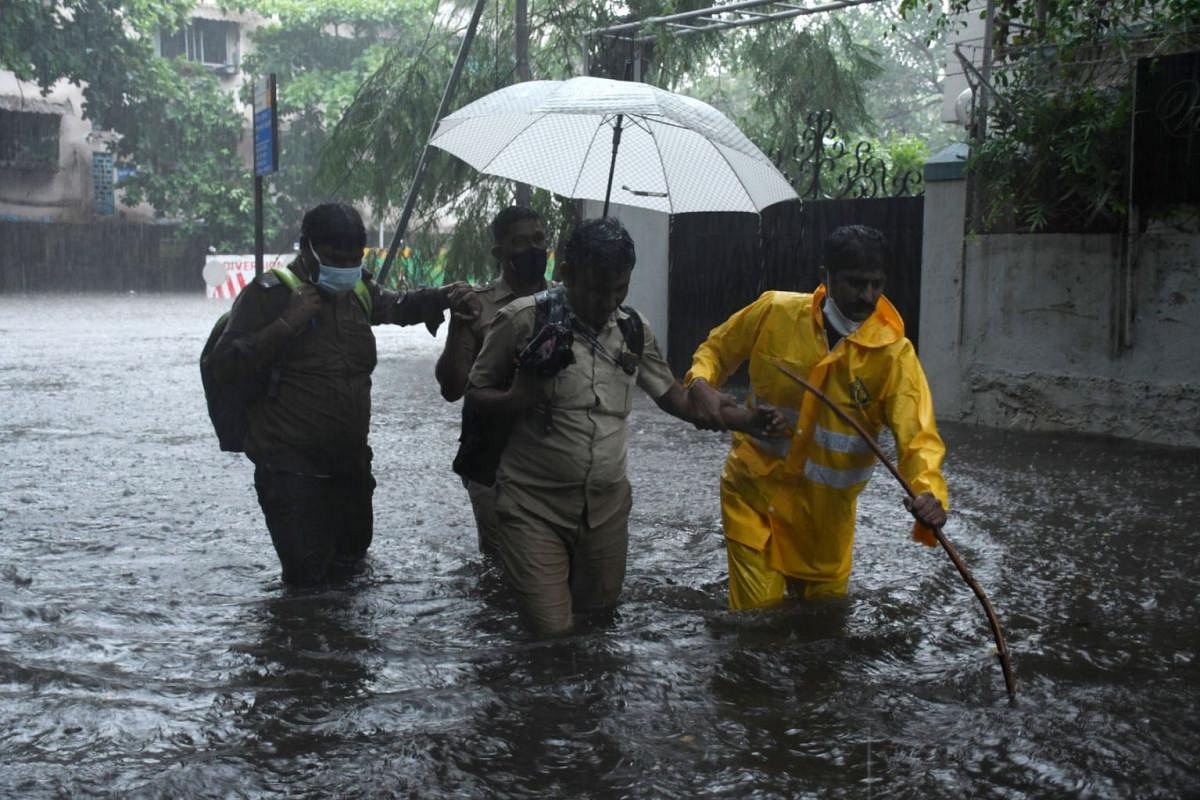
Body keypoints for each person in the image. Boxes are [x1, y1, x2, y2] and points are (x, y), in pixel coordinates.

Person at [465, 217, 782, 635]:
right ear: (567, 273)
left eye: (620, 288)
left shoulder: (632, 329)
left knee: (598, 625)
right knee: (551, 633)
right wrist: (518, 397)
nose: (608, 301)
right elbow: (474, 394)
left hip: (606, 510)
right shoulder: (524, 321)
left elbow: (674, 397)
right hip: (531, 506)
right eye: (597, 289)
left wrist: (745, 419)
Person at [685, 224, 949, 610]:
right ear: (825, 275)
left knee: (823, 629)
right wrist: (700, 383)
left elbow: (918, 436)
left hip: (825, 527)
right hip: (754, 500)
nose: (868, 296)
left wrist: (929, 492)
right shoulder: (774, 312)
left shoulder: (894, 357)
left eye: (877, 284)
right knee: (759, 622)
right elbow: (717, 349)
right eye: (856, 283)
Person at [209, 202, 461, 586]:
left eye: (352, 259)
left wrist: (443, 297)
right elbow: (225, 364)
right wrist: (286, 323)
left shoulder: (358, 289)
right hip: (291, 470)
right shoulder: (269, 294)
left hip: (351, 466)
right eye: (333, 258)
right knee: (307, 585)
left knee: (353, 573)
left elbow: (397, 307)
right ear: (307, 249)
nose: (344, 268)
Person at [435, 205, 551, 556]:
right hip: (493, 459)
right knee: (502, 564)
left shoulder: (568, 302)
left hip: (554, 455)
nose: (533, 248)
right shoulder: (479, 307)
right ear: (499, 253)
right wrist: (458, 327)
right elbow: (453, 389)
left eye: (539, 239)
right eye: (520, 242)